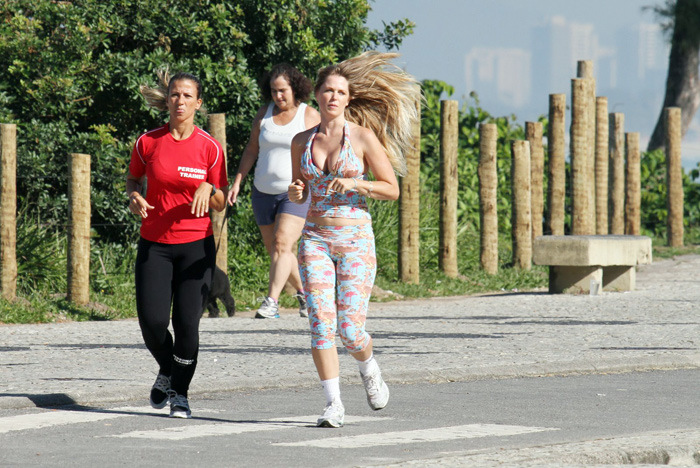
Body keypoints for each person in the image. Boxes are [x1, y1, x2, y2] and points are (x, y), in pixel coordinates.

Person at [288, 52, 419, 428]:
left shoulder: (361, 137)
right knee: (320, 322)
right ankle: (333, 404)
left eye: (340, 91)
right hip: (314, 237)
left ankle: (369, 367)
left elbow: (391, 188)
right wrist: (297, 191)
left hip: (354, 239)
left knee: (349, 329)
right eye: (327, 90)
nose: (333, 96)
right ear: (315, 94)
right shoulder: (301, 141)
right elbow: (300, 186)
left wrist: (356, 182)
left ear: (348, 99)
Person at [126, 70, 227, 419]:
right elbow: (132, 179)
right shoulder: (147, 142)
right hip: (154, 244)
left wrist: (208, 189)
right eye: (174, 95)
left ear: (198, 103)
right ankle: (169, 370)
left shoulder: (210, 148)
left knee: (187, 326)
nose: (180, 101)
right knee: (152, 322)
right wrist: (134, 196)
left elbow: (222, 200)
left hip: (195, 247)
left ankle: (180, 394)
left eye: (187, 96)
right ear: (167, 99)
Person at [227, 64, 320, 319]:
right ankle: (305, 296)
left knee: (282, 243)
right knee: (280, 252)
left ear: (295, 89)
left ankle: (271, 302)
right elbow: (251, 149)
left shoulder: (309, 115)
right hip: (262, 191)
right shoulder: (264, 114)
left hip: (296, 192)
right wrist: (237, 181)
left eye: (283, 91)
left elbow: (322, 150)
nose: (278, 97)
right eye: (273, 91)